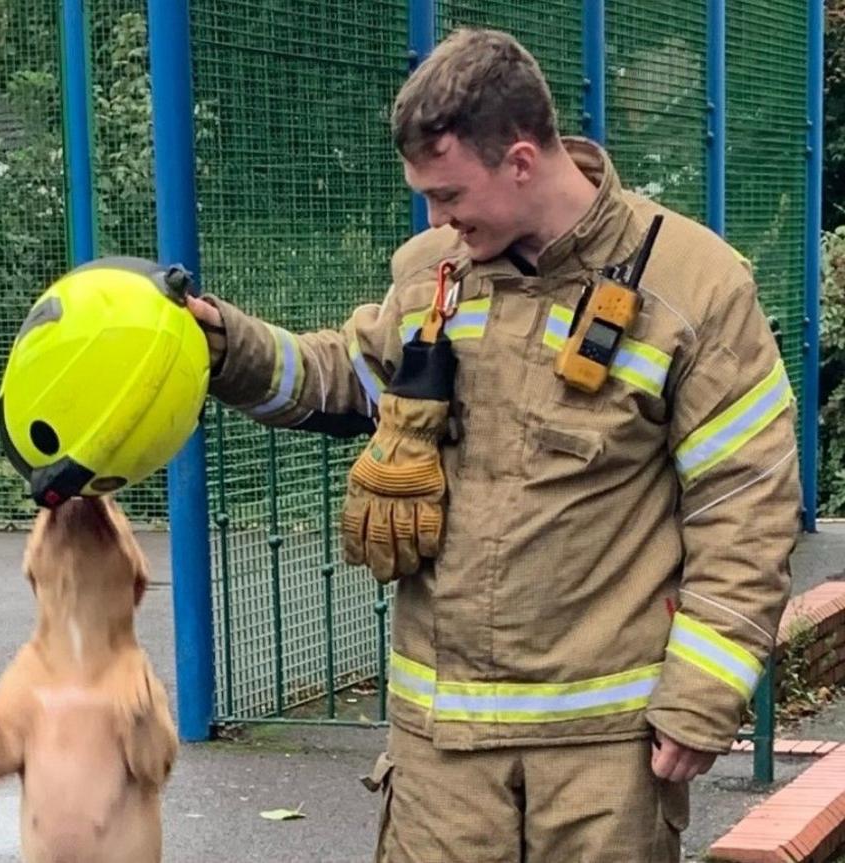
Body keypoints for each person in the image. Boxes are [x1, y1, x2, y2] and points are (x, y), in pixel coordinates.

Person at [187, 26, 801, 863]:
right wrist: (227, 347)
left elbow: (747, 506)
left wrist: (701, 699)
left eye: (447, 194)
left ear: (519, 159)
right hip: (440, 753)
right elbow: (346, 377)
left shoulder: (693, 288)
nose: (436, 217)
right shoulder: (436, 273)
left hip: (601, 758)